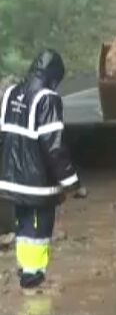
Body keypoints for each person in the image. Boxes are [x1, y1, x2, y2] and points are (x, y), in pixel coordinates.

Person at [0, 50, 85, 289]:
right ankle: (32, 274)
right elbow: (54, 146)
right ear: (54, 77)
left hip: (11, 178)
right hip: (36, 182)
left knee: (23, 222)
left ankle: (24, 266)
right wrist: (71, 182)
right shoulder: (47, 99)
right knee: (38, 226)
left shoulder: (10, 93)